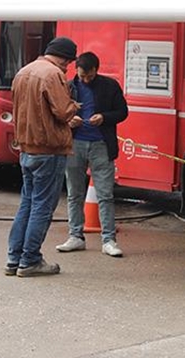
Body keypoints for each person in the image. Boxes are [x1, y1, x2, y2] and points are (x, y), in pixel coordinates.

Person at [7, 37, 80, 278]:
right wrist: (74, 108)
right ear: (64, 58)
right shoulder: (52, 74)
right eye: (68, 63)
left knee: (26, 205)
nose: (67, 68)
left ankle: (14, 259)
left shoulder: (23, 71)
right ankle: (30, 260)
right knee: (42, 207)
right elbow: (62, 110)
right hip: (49, 149)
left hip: (26, 148)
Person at [55, 51, 129, 258]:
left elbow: (123, 112)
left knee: (105, 193)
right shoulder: (69, 86)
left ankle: (108, 240)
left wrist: (104, 117)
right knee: (74, 193)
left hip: (101, 144)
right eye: (81, 76)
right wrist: (69, 121)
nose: (85, 80)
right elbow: (57, 114)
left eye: (88, 76)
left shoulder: (110, 86)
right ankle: (75, 236)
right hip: (75, 143)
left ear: (96, 70)